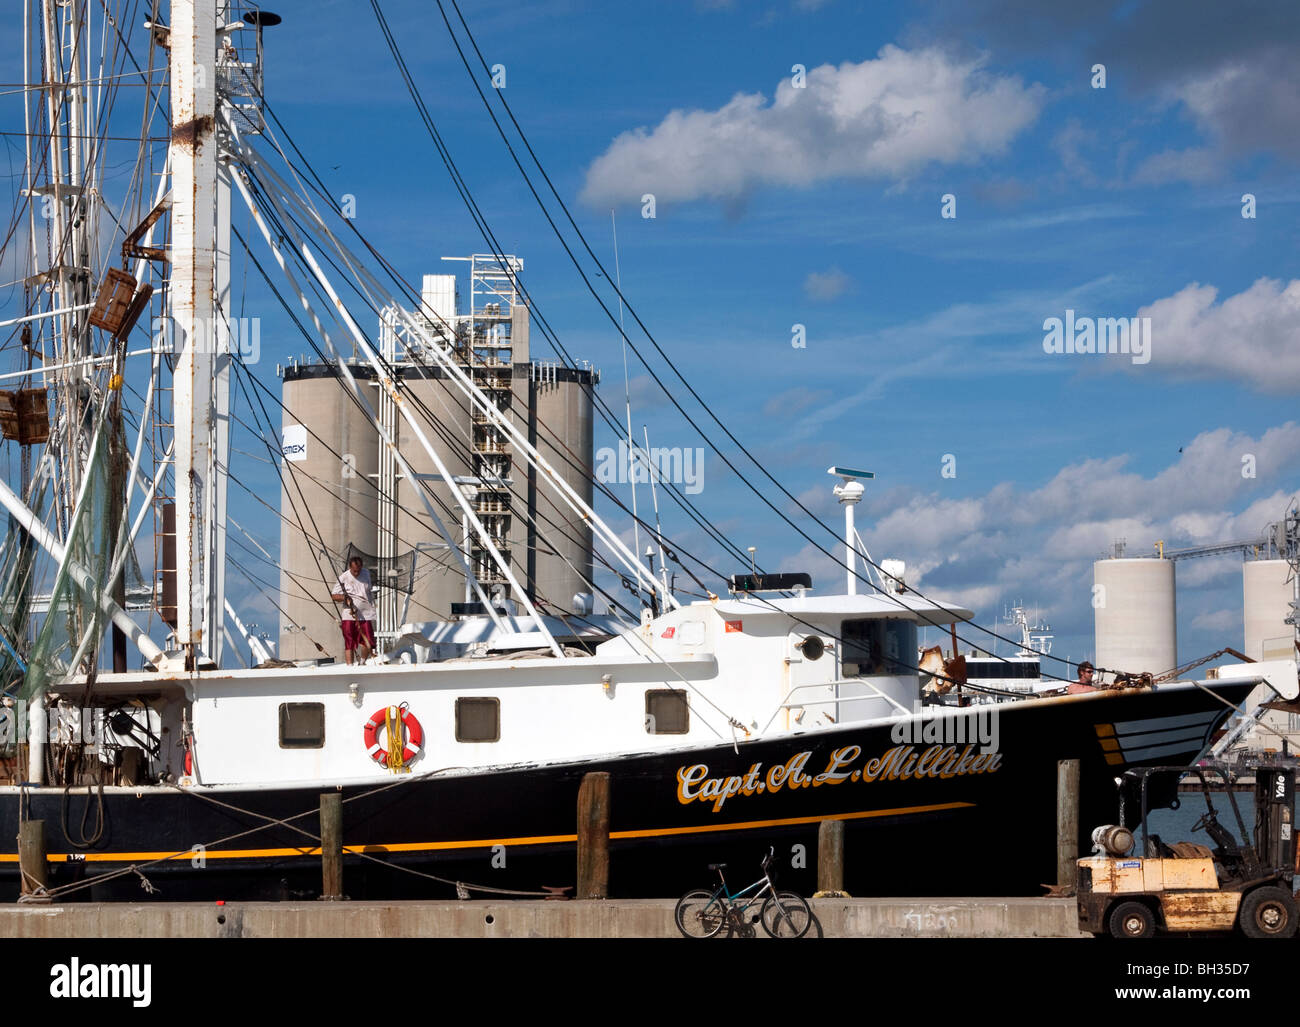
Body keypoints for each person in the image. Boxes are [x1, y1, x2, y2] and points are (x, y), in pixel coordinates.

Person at [331, 555, 376, 665]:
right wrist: (345, 598)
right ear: (350, 568)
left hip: (365, 613)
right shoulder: (344, 577)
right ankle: (350, 665)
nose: (357, 573)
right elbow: (334, 595)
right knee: (349, 640)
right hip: (349, 613)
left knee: (368, 639)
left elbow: (367, 589)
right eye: (354, 571)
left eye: (359, 570)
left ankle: (362, 662)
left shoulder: (366, 573)